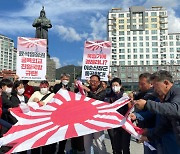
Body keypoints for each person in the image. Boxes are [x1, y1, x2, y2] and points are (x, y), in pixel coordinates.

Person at [134, 70, 180, 147]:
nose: (154, 89)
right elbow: (165, 125)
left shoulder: (178, 92)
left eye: (155, 86)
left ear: (166, 83)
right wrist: (149, 135)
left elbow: (175, 109)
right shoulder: (166, 98)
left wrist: (147, 104)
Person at [80, 75, 107, 154]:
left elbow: (97, 99)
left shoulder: (102, 91)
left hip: (98, 120)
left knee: (99, 141)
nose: (93, 83)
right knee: (87, 143)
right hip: (86, 119)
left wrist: (88, 91)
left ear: (99, 83)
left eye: (95, 81)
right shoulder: (84, 89)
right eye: (91, 81)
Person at [105, 77, 131, 154]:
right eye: (113, 85)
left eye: (116, 85)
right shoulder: (109, 96)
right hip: (114, 124)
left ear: (120, 85)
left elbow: (130, 108)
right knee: (116, 146)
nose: (114, 87)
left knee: (125, 146)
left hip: (124, 123)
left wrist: (129, 100)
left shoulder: (125, 95)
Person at [28, 80, 55, 154]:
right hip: (36, 121)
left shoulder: (52, 95)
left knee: (45, 142)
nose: (43, 88)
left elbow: (54, 105)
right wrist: (34, 100)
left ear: (48, 87)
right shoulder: (36, 93)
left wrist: (43, 103)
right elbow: (29, 104)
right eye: (42, 87)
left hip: (47, 121)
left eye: (45, 87)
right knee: (35, 141)